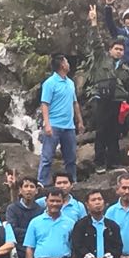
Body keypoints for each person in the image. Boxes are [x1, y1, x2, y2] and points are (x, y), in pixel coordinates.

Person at [86, 5, 129, 172]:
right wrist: (94, 22)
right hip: (102, 100)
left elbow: (127, 86)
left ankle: (113, 161)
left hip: (117, 102)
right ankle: (99, 162)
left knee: (114, 132)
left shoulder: (125, 68)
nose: (119, 52)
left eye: (121, 50)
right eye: (116, 49)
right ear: (110, 50)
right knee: (101, 131)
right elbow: (96, 43)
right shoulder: (102, 59)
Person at [37, 53, 85, 187]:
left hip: (69, 126)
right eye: (67, 62)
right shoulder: (50, 83)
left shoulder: (70, 83)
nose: (69, 64)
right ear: (62, 65)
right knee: (47, 157)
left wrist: (80, 121)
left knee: (71, 158)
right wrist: (47, 124)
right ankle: (41, 182)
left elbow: (75, 103)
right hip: (54, 125)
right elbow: (45, 104)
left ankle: (72, 181)